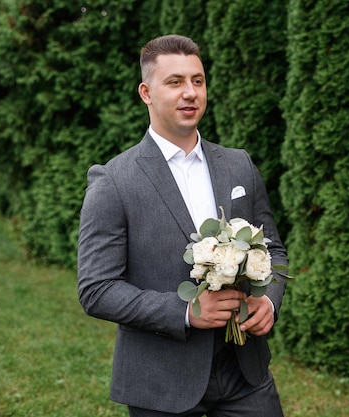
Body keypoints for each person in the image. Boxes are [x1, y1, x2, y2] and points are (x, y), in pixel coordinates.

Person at [77, 34, 288, 417]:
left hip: (245, 375)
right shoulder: (114, 181)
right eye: (174, 82)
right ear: (146, 92)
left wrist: (269, 301)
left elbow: (273, 249)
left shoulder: (239, 164)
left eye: (197, 80)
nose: (190, 92)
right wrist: (186, 312)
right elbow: (96, 289)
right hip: (161, 381)